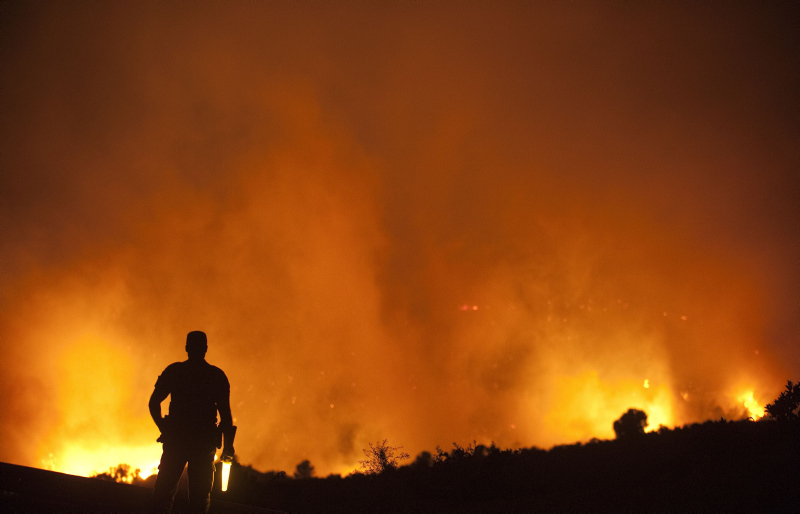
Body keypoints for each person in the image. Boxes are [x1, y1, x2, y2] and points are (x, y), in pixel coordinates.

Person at [149, 331, 234, 513]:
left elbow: (154, 402)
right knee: (199, 499)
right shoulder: (216, 376)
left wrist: (163, 427)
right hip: (202, 445)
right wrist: (228, 448)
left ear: (187, 347)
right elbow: (226, 417)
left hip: (177, 442)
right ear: (205, 348)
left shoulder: (175, 371)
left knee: (163, 495)